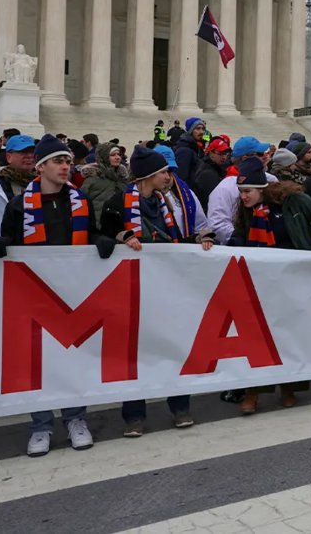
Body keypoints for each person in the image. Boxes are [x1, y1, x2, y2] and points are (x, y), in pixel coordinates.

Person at [0, 134, 111, 458]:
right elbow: (10, 239)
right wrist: (0, 243)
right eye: (59, 161)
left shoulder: (80, 201)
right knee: (38, 362)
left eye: (68, 161)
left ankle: (75, 419)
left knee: (73, 357)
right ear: (42, 167)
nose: (65, 166)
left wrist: (102, 240)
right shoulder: (18, 205)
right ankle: (41, 425)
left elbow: (92, 233)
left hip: (73, 292)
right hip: (35, 293)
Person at [100, 146, 214, 436]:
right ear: (148, 175)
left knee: (174, 347)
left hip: (165, 287)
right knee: (136, 353)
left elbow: (172, 240)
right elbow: (99, 236)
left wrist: (198, 240)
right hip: (132, 290)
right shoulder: (117, 203)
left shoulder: (166, 203)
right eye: (164, 171)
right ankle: (134, 415)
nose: (168, 176)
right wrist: (119, 236)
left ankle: (180, 406)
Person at [230, 157, 311, 414]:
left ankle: (289, 387)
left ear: (262, 189)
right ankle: (253, 393)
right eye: (241, 192)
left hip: (292, 278)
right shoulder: (246, 210)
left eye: (248, 191)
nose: (243, 197)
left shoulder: (292, 201)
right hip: (259, 280)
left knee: (289, 334)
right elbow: (240, 235)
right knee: (258, 337)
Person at [208, 137, 275, 244]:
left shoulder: (271, 180)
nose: (266, 156)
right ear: (245, 158)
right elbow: (218, 225)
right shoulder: (224, 188)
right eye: (260, 154)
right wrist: (247, 239)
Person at [153, 145, 208, 240]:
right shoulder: (144, 197)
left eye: (170, 170)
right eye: (163, 171)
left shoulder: (187, 194)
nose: (168, 175)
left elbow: (201, 225)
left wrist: (201, 239)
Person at [79, 143, 130, 229]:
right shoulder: (92, 179)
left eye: (119, 154)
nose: (117, 157)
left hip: (121, 226)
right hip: (99, 227)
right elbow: (82, 203)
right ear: (104, 157)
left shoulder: (123, 178)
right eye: (113, 155)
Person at [192, 136, 231, 210]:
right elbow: (215, 200)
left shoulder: (213, 167)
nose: (224, 157)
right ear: (211, 153)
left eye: (225, 153)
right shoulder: (207, 174)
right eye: (220, 153)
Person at [173, 117, 207, 187]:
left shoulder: (195, 147)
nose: (201, 132)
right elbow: (181, 177)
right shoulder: (184, 150)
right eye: (198, 129)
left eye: (203, 129)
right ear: (190, 130)